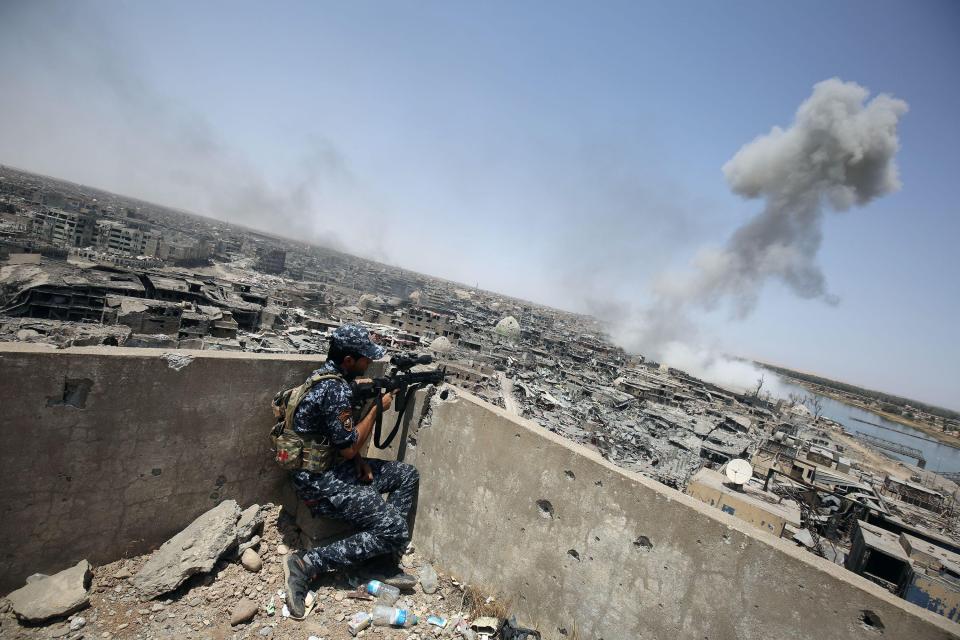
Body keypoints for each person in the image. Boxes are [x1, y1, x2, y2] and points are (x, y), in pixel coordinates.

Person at [283, 324, 419, 619]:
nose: (369, 363)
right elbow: (347, 445)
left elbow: (337, 441)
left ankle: (379, 561)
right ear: (348, 360)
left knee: (407, 474)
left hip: (336, 468)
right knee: (396, 530)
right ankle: (307, 564)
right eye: (364, 358)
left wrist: (359, 461)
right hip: (319, 483)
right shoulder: (333, 390)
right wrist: (376, 409)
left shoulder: (330, 378)